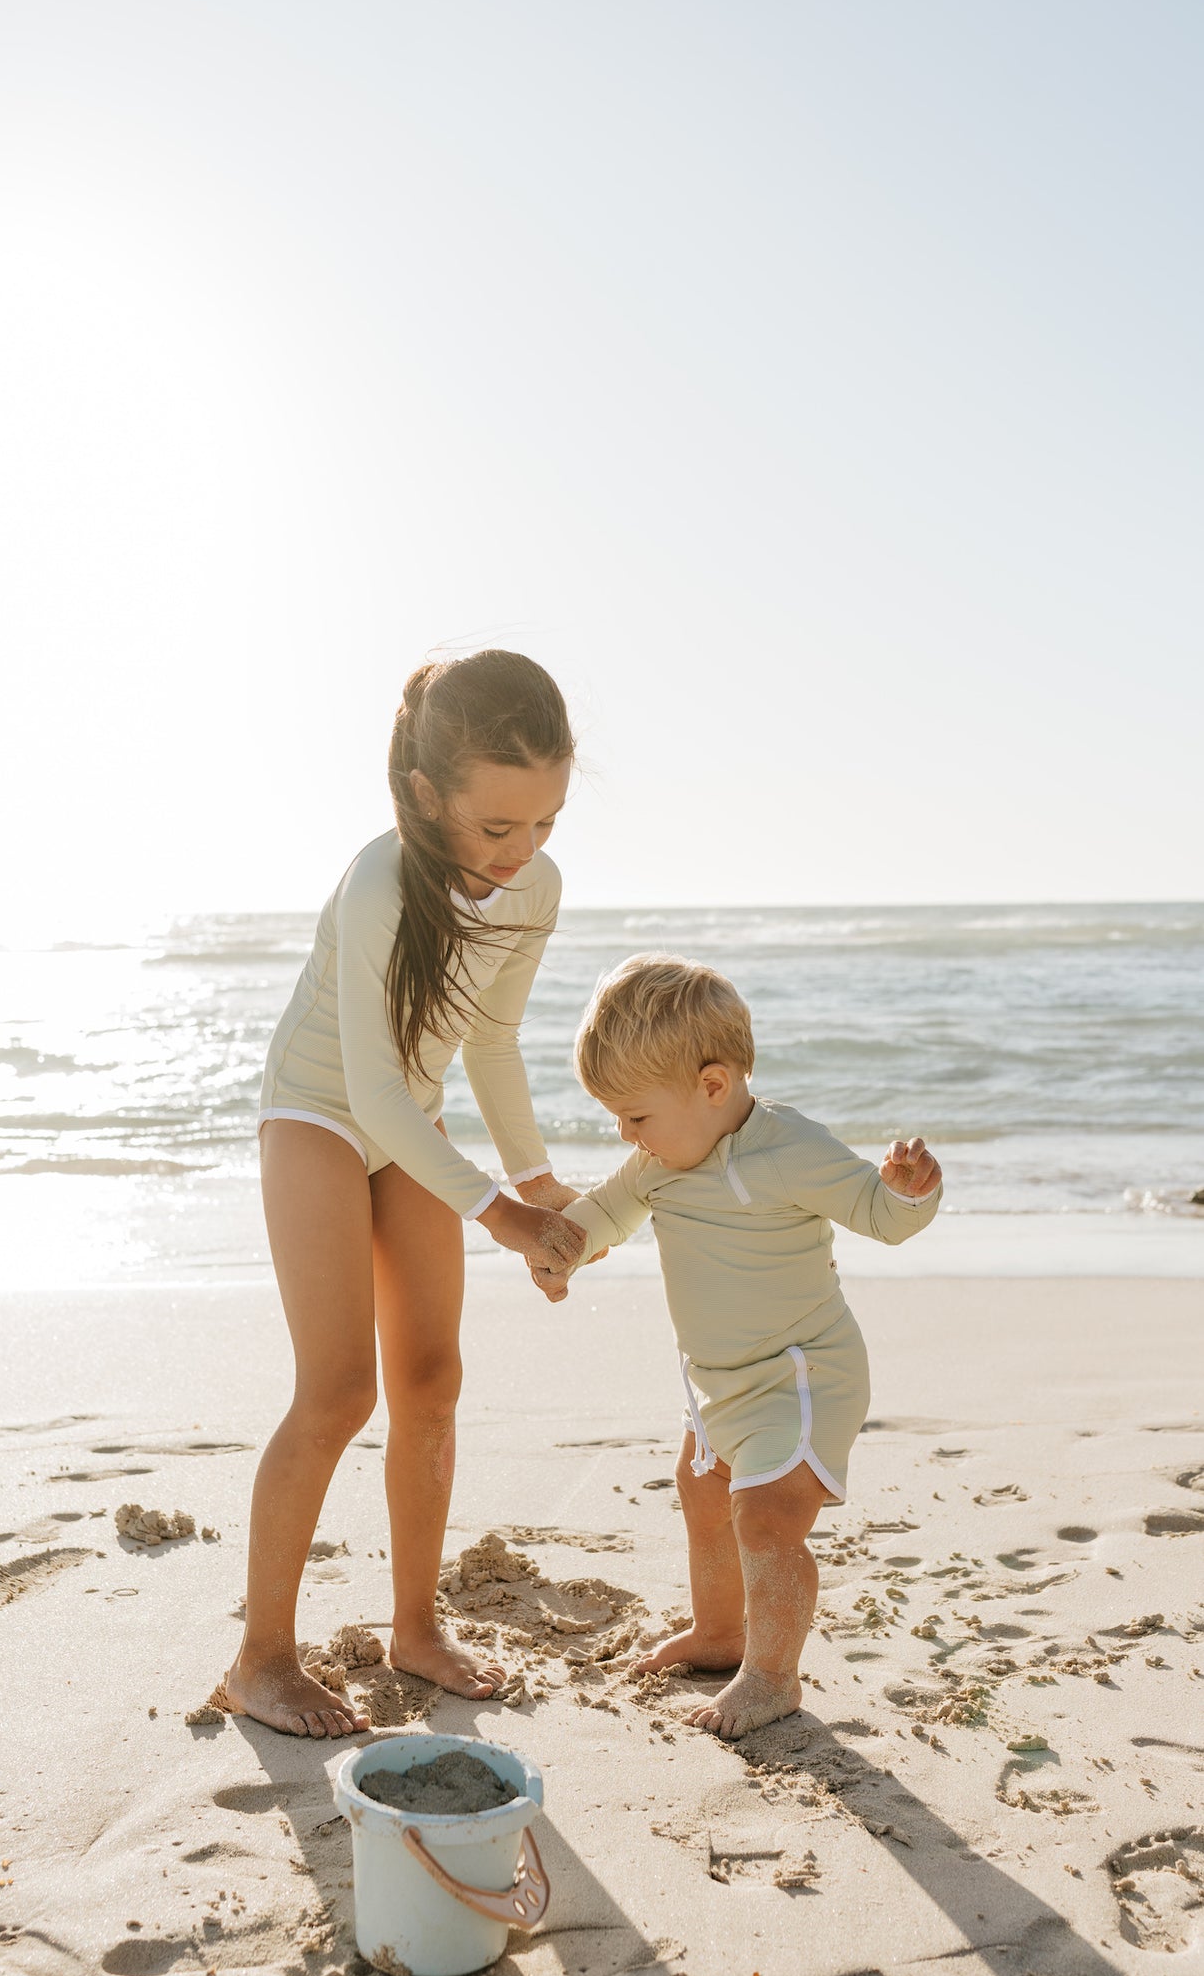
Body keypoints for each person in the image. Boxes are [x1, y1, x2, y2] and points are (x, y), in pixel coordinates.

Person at [219, 650, 586, 1740]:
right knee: (338, 1389)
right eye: (495, 827)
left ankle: (415, 1628)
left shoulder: (534, 891)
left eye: (545, 826)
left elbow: (491, 1038)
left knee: (431, 1376)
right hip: (322, 1115)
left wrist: (536, 1183)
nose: (518, 853)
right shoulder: (381, 878)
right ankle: (260, 1656)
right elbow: (372, 1087)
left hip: (407, 1126)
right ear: (426, 796)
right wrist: (500, 1213)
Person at [533, 954, 941, 1739]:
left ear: (712, 1087)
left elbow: (878, 1215)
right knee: (701, 1494)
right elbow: (603, 1215)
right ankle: (721, 1632)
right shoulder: (660, 1161)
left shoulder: (787, 1148)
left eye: (636, 1116)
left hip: (799, 1373)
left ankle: (770, 1676)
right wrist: (560, 1248)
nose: (627, 1135)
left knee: (764, 1520)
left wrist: (908, 1192)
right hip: (716, 1380)